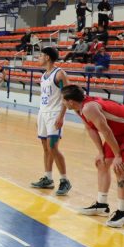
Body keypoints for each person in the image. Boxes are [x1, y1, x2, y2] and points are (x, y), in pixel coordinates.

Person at [61, 85, 124, 227]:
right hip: (116, 132)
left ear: (70, 101)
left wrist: (118, 155)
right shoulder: (80, 108)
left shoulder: (89, 108)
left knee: (119, 169)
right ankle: (102, 205)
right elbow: (90, 129)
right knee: (102, 164)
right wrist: (100, 152)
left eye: (63, 100)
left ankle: (122, 213)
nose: (62, 103)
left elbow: (106, 131)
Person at [30, 47, 72, 196]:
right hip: (43, 113)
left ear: (47, 57)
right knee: (46, 148)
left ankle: (65, 180)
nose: (38, 58)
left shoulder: (59, 74)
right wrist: (40, 115)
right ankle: (48, 178)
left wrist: (61, 116)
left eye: (40, 55)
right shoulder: (43, 76)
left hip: (54, 114)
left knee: (53, 147)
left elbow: (67, 95)